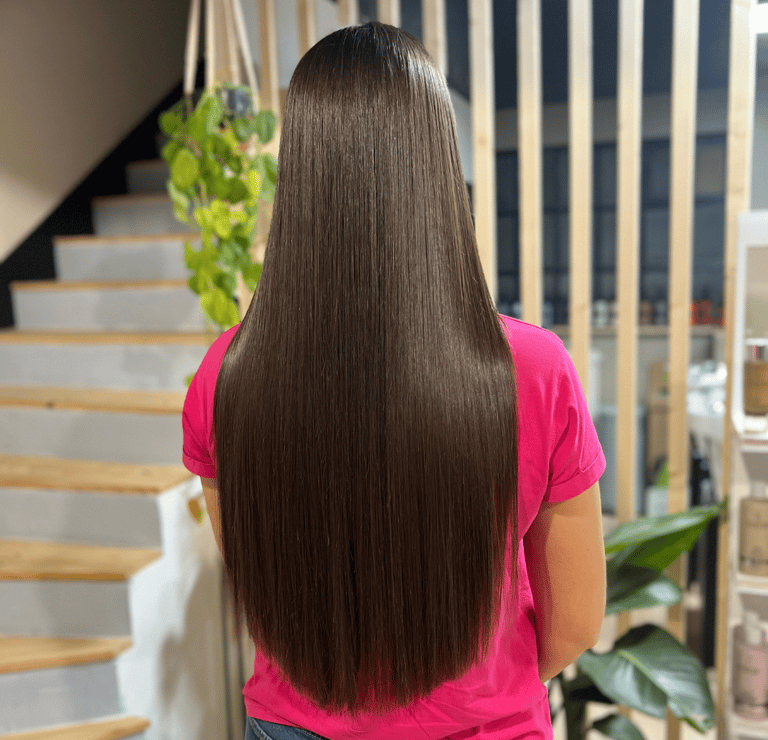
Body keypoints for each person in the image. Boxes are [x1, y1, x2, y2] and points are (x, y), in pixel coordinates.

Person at [182, 21, 606, 740]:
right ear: (438, 170)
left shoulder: (228, 376)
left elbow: (265, 587)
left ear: (300, 172)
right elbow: (574, 626)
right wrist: (471, 693)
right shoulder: (533, 372)